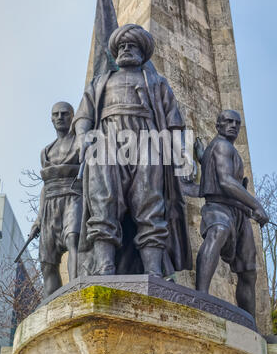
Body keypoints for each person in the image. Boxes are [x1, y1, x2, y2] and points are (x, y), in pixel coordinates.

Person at [72, 24, 192, 278]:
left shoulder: (157, 82)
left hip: (147, 142)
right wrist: (83, 136)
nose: (126, 49)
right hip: (106, 142)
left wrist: (182, 153)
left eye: (132, 46)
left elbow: (174, 122)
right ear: (116, 52)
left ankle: (153, 271)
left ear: (142, 53)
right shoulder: (100, 82)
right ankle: (104, 268)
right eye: (122, 46)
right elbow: (84, 115)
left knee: (150, 202)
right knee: (103, 201)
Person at [195, 110, 269, 318]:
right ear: (218, 125)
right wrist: (257, 206)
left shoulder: (222, 149)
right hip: (219, 206)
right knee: (218, 231)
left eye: (237, 123)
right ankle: (200, 296)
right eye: (228, 121)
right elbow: (226, 181)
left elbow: (215, 167)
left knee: (248, 269)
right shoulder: (222, 146)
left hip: (238, 212)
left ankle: (250, 322)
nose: (234, 126)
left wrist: (202, 157)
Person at [29, 102, 82, 298]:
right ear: (51, 119)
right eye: (56, 114)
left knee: (73, 240)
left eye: (64, 114)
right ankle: (53, 302)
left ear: (72, 116)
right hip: (50, 204)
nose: (60, 117)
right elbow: (45, 187)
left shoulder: (80, 144)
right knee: (47, 260)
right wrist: (38, 220)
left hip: (73, 198)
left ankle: (76, 292)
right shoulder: (45, 152)